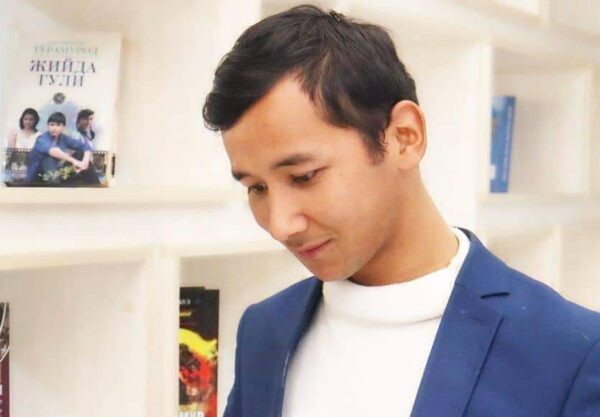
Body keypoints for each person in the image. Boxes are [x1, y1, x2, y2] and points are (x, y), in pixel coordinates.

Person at [203, 6, 600, 417]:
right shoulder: (263, 330)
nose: (280, 224)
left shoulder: (570, 354)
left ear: (404, 138)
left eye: (304, 176)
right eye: (257, 188)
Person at [26, 112, 100, 185]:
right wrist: (75, 161)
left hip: (57, 174)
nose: (54, 128)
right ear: (48, 126)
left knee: (81, 154)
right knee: (48, 158)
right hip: (39, 178)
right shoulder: (41, 139)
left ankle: (97, 187)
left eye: (58, 125)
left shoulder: (63, 138)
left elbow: (85, 146)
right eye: (52, 125)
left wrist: (85, 162)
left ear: (63, 127)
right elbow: (54, 151)